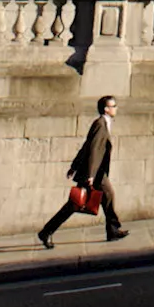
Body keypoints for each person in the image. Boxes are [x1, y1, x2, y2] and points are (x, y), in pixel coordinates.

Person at [39, 94, 129, 247]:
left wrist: (74, 166)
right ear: (106, 109)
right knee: (74, 204)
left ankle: (113, 230)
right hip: (93, 173)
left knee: (108, 196)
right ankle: (46, 232)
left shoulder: (104, 123)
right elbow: (93, 149)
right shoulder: (100, 124)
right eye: (113, 106)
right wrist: (90, 175)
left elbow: (87, 146)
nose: (116, 108)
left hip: (97, 172)